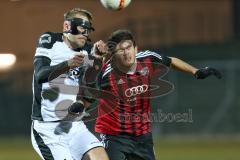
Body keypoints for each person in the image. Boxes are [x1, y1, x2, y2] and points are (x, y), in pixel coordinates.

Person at [71, 29, 222, 160]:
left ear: (136, 48)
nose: (126, 53)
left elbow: (170, 61)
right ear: (114, 54)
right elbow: (88, 95)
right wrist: (79, 106)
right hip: (114, 137)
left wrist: (195, 71)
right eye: (120, 50)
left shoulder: (148, 59)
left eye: (129, 47)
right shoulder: (107, 74)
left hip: (143, 137)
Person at [31, 8, 109, 160]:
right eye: (82, 28)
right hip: (47, 129)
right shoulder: (49, 41)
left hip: (73, 124)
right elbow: (40, 74)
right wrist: (68, 64)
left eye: (88, 30)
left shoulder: (88, 51)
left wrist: (98, 61)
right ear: (67, 26)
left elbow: (91, 87)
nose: (85, 34)